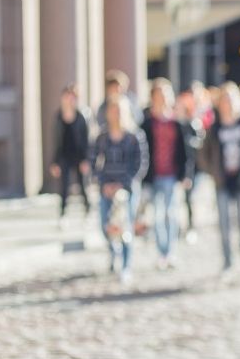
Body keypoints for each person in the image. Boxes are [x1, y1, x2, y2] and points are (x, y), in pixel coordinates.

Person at [201, 81, 240, 274]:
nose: (228, 104)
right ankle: (227, 260)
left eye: (232, 99)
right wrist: (213, 172)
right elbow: (204, 154)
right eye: (225, 100)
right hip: (222, 182)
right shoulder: (214, 128)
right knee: (224, 224)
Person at [89, 96, 148, 284]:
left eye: (119, 110)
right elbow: (93, 161)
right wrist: (102, 182)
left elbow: (140, 164)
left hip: (127, 189)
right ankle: (113, 252)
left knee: (125, 227)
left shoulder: (134, 137)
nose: (116, 114)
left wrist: (122, 185)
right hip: (106, 187)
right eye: (113, 110)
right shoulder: (102, 137)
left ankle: (126, 266)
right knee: (105, 226)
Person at [140, 78, 197, 269]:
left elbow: (186, 151)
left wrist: (186, 174)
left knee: (171, 214)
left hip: (172, 174)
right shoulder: (147, 123)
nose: (162, 98)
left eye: (165, 95)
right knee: (157, 215)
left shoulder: (177, 122)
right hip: (153, 175)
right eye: (159, 95)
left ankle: (170, 251)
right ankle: (161, 252)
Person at [50, 84, 93, 227]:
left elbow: (86, 140)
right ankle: (63, 215)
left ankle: (87, 210)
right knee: (64, 187)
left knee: (82, 186)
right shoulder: (58, 116)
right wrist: (55, 162)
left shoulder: (82, 116)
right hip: (64, 156)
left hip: (79, 157)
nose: (69, 99)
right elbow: (55, 140)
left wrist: (86, 159)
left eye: (72, 96)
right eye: (66, 96)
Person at [175, 86, 207, 243]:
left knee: (190, 198)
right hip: (181, 167)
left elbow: (200, 145)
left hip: (195, 168)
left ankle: (190, 225)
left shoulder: (195, 124)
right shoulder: (178, 124)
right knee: (182, 199)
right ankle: (181, 225)